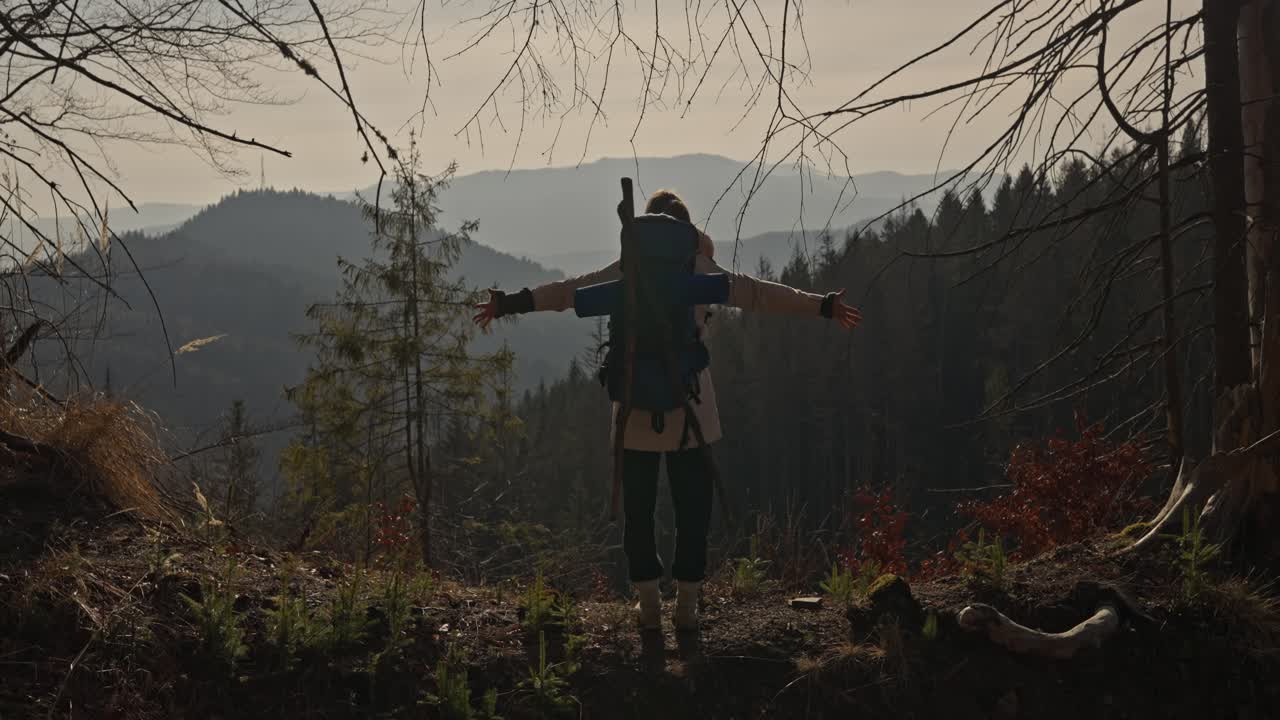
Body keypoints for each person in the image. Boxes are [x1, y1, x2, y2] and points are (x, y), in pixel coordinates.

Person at [472, 189, 862, 633]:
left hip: (632, 405)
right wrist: (824, 305)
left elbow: (568, 293)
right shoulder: (700, 268)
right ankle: (688, 605)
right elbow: (760, 295)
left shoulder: (627, 269)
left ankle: (649, 603)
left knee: (638, 508)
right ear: (685, 232)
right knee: (692, 506)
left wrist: (508, 303)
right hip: (691, 407)